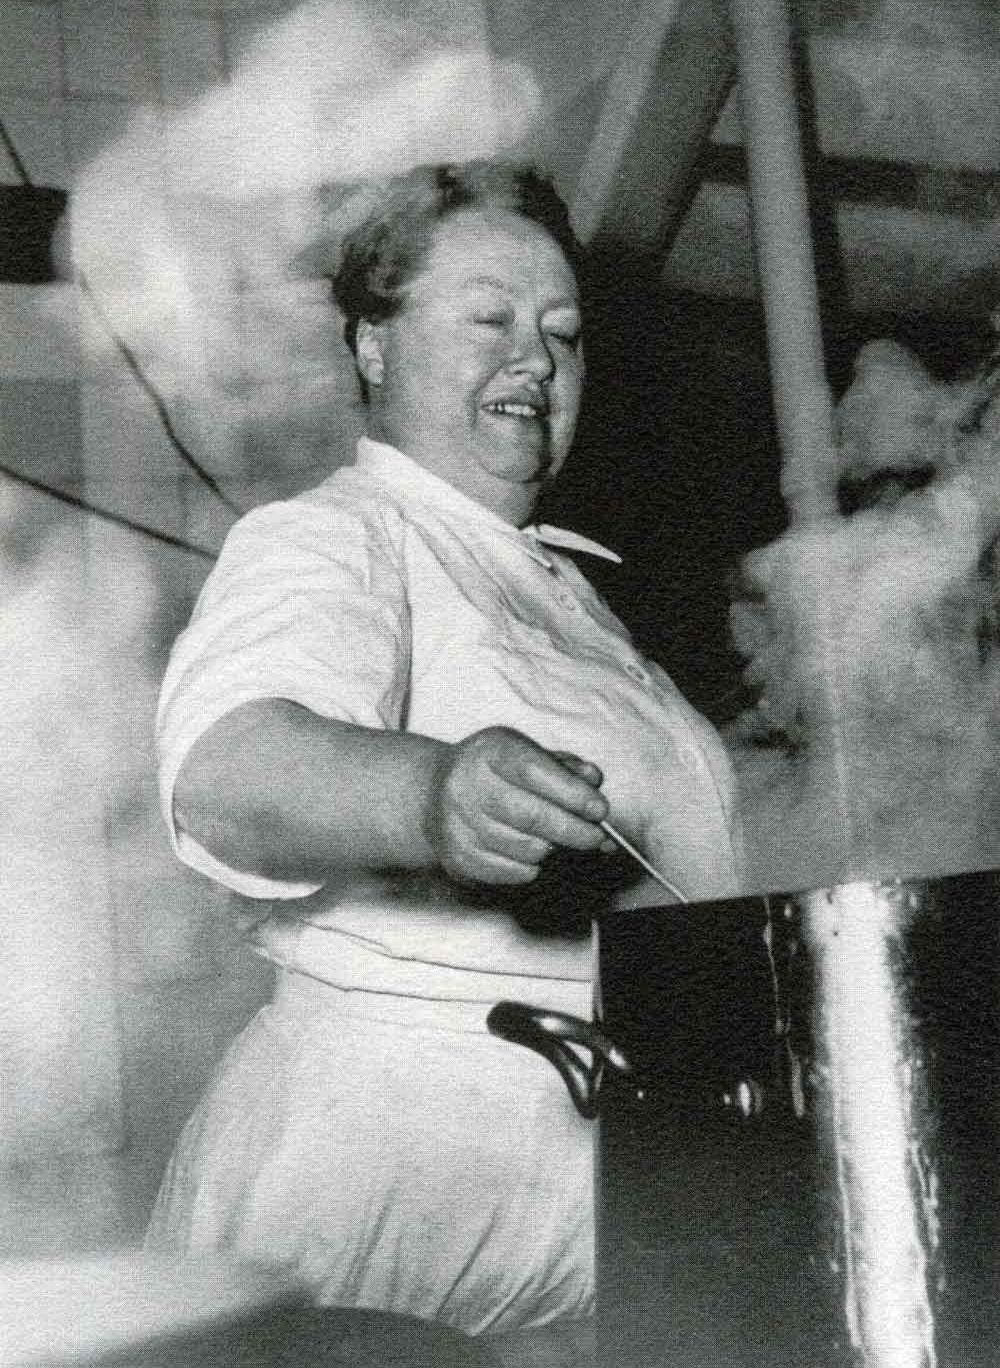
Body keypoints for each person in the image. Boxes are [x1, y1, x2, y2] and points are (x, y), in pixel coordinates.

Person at [145, 161, 742, 1356]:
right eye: (489, 318)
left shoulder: (562, 584)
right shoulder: (336, 534)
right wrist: (431, 796)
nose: (537, 358)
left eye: (562, 333)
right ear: (373, 345)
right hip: (382, 1195)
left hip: (580, 1192)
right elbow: (225, 770)